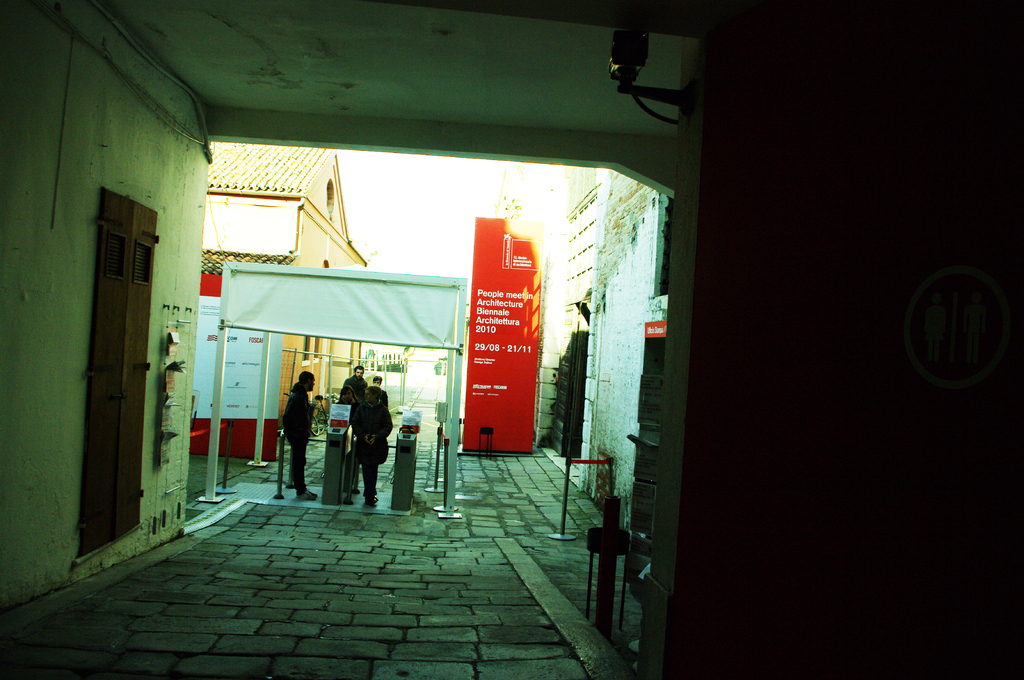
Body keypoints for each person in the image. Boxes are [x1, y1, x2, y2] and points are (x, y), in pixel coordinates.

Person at [351, 385, 393, 506]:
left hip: (377, 445)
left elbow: (387, 426)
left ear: (375, 395)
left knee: (372, 469)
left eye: (369, 394)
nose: (366, 396)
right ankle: (369, 494)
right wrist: (362, 435)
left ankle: (370, 493)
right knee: (367, 468)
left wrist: (377, 436)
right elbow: (355, 423)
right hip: (363, 444)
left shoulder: (383, 410)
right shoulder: (361, 408)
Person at [283, 371, 317, 500]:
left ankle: (301, 488)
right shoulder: (298, 396)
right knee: (298, 462)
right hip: (297, 434)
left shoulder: (300, 395)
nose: (313, 384)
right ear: (308, 380)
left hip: (299, 433)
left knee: (300, 461)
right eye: (313, 381)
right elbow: (288, 415)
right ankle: (300, 490)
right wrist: (293, 431)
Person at [337, 385, 361, 498]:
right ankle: (338, 482)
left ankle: (350, 483)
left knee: (352, 460)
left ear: (352, 394)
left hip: (352, 435)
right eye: (344, 394)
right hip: (340, 435)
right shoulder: (338, 405)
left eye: (349, 394)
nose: (346, 396)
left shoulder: (357, 406)